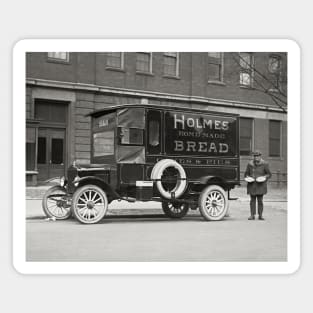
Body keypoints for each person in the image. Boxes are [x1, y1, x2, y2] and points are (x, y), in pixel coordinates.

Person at [244, 150, 272, 220]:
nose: (256, 157)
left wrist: (264, 177)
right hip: (252, 185)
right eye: (255, 156)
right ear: (253, 157)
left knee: (260, 201)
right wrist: (247, 177)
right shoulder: (250, 164)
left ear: (260, 156)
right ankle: (252, 215)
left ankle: (260, 215)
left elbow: (269, 174)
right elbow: (246, 174)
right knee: (252, 201)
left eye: (257, 156)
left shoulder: (265, 164)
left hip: (261, 185)